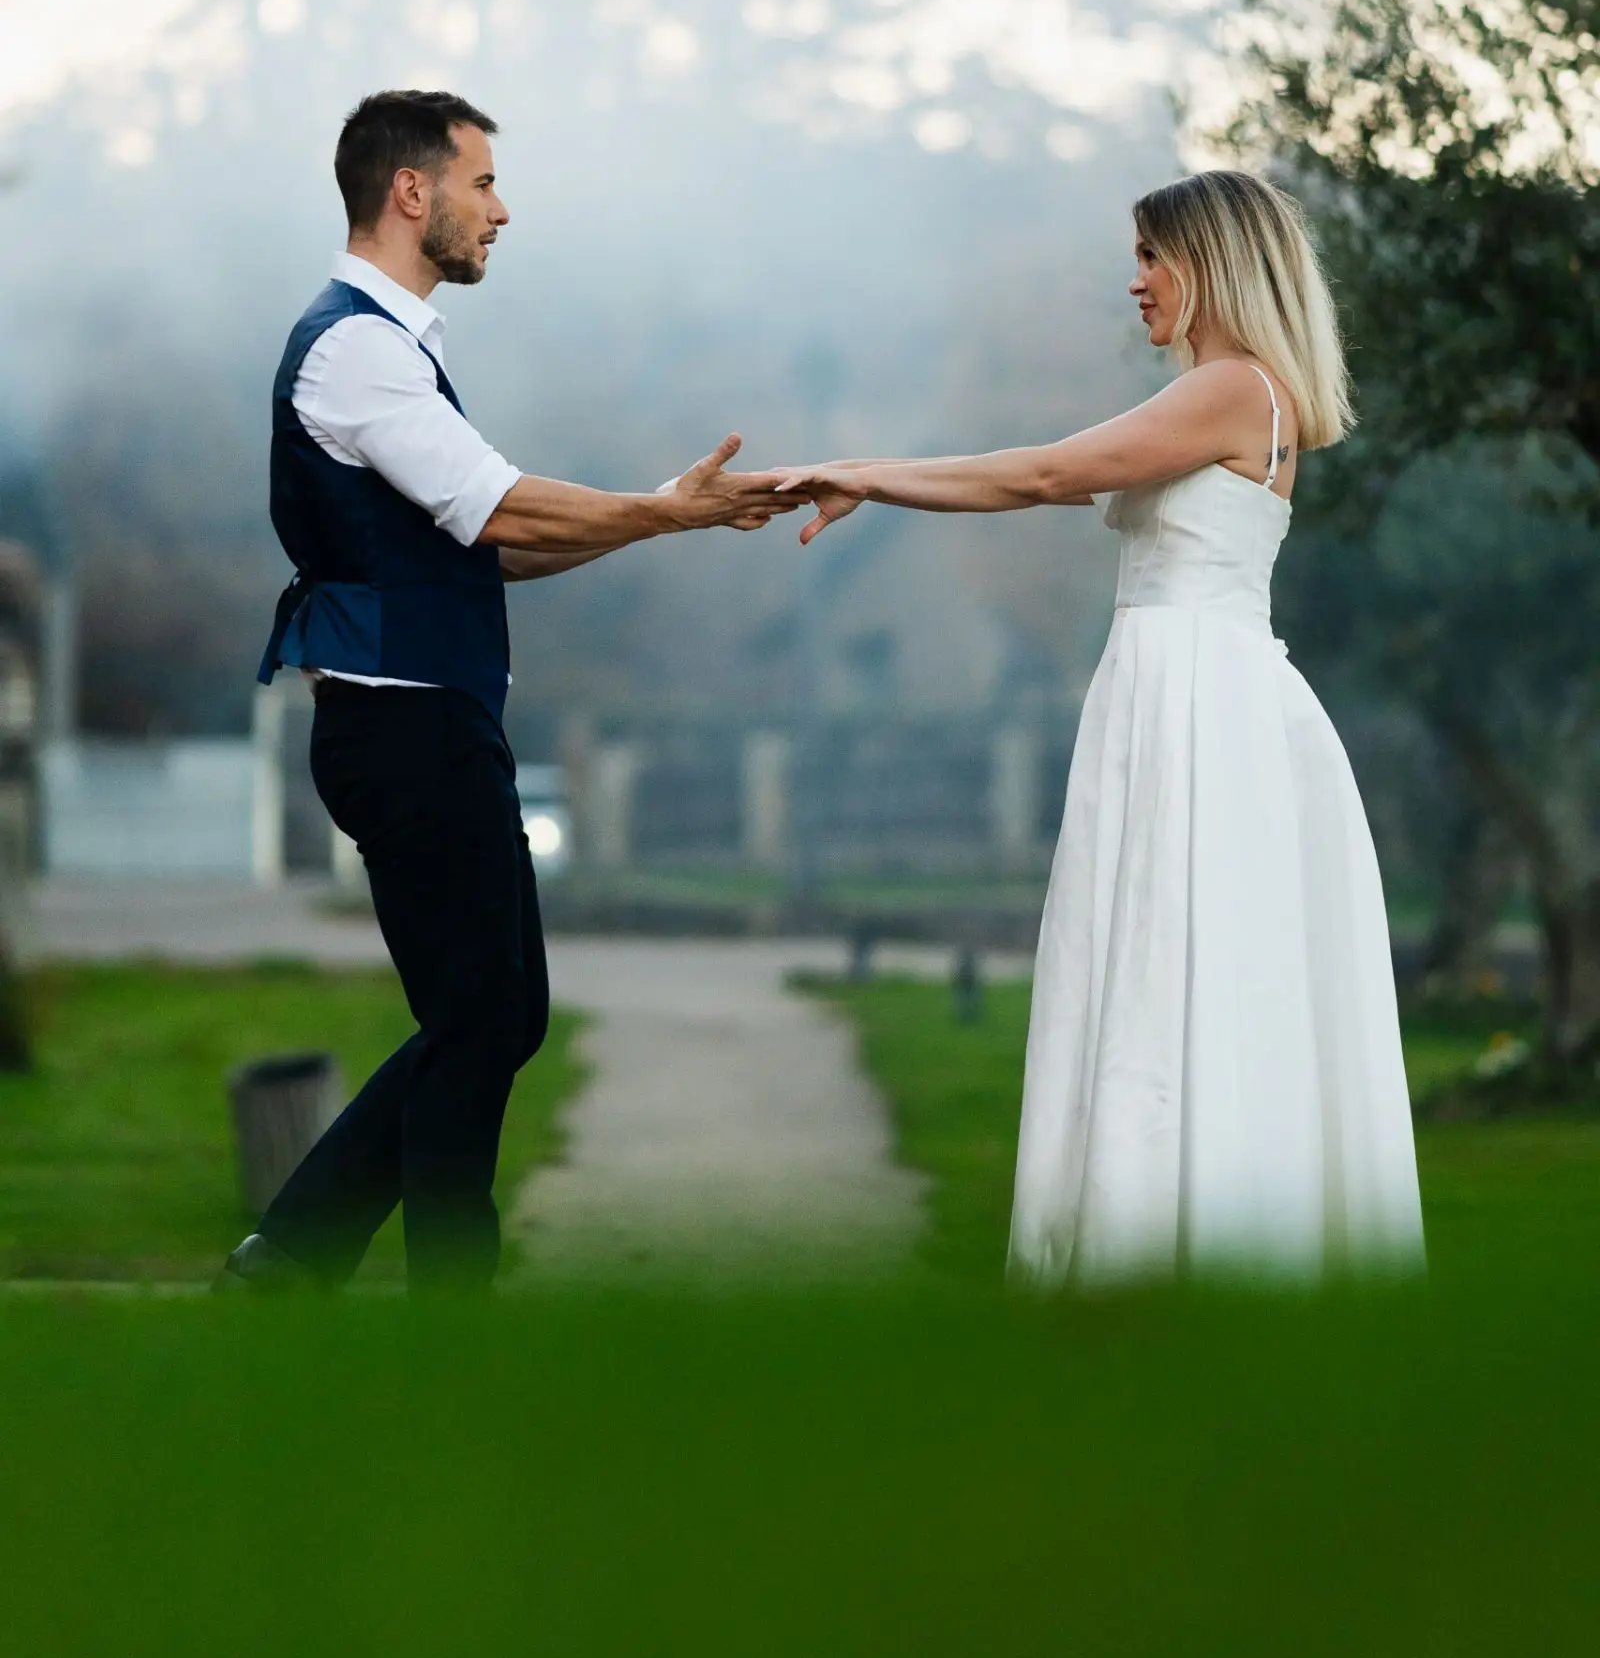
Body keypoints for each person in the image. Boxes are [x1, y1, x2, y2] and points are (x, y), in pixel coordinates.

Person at [778, 169, 1424, 1285]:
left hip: (1195, 698)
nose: (1134, 282)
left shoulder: (1230, 389)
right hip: (1183, 685)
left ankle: (1163, 1256)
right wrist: (873, 481)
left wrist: (864, 476)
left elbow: (1044, 471)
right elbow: (1044, 479)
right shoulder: (1236, 393)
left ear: (1213, 263)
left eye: (1152, 257)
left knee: (1174, 947)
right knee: (1166, 948)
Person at [218, 90, 799, 1293]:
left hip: (428, 721)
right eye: (482, 183)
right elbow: (499, 506)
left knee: (493, 1017)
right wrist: (665, 509)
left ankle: (291, 1262)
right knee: (486, 1020)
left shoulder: (395, 348)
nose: (503, 209)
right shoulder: (355, 347)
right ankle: (426, 1310)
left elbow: (490, 543)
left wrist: (656, 516)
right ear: (410, 191)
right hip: (403, 726)